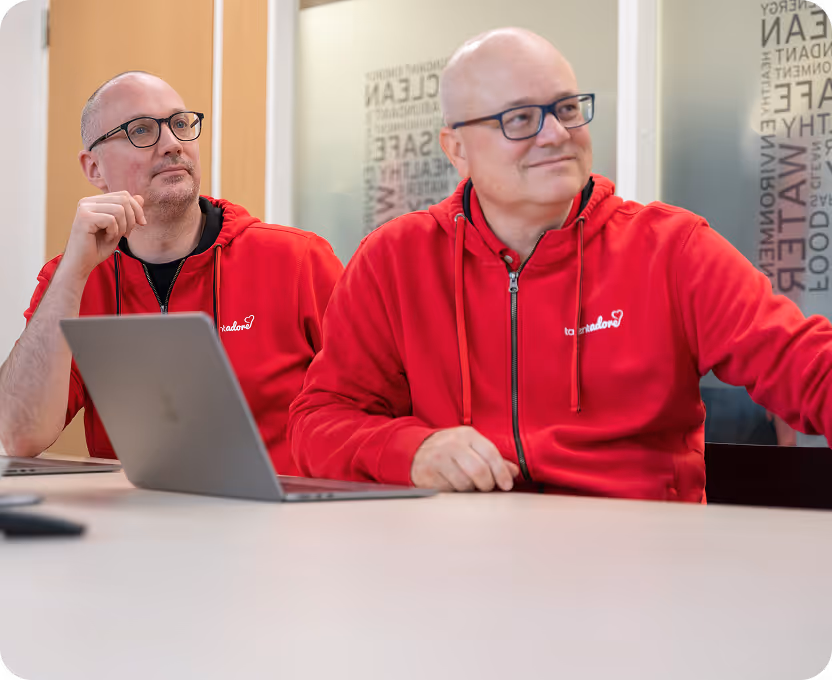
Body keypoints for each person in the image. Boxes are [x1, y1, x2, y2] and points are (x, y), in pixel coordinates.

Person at [288, 28, 832, 502]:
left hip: (639, 572)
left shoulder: (672, 248)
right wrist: (412, 450)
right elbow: (318, 424)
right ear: (456, 149)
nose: (556, 134)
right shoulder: (395, 260)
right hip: (460, 568)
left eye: (566, 108)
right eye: (520, 118)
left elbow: (807, 366)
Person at [0, 71, 343, 474]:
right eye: (141, 130)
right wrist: (73, 273)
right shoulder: (72, 279)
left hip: (277, 526)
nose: (173, 144)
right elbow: (20, 435)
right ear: (93, 168)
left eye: (180, 124)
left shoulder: (297, 260)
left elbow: (367, 408)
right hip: (134, 529)